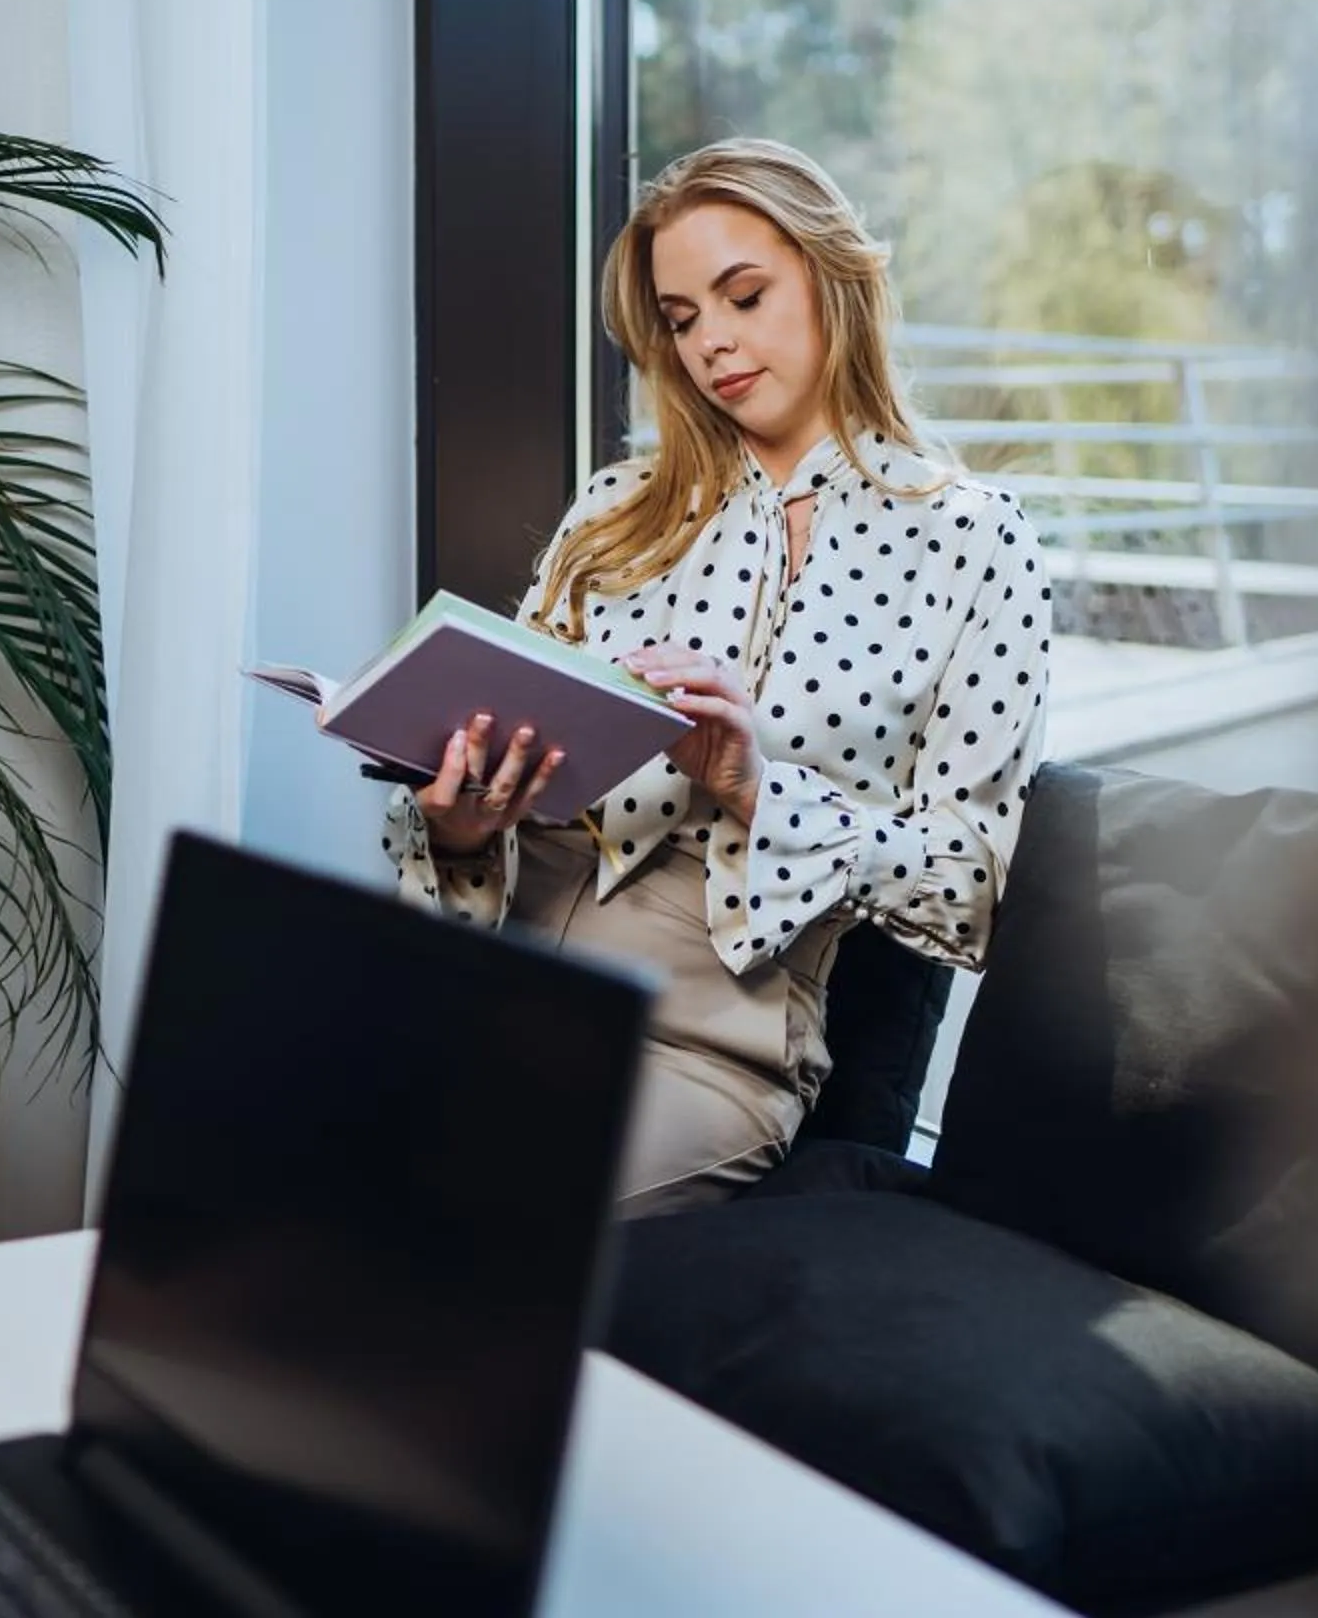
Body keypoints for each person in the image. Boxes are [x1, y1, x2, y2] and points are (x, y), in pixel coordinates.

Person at [336, 138, 1053, 1215]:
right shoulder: (615, 509)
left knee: (469, 1207)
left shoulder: (975, 541)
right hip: (502, 973)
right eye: (681, 318)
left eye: (743, 296)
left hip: (712, 1034)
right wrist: (463, 829)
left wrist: (761, 790)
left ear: (835, 278)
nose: (711, 340)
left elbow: (971, 893)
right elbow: (486, 799)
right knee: (263, 1137)